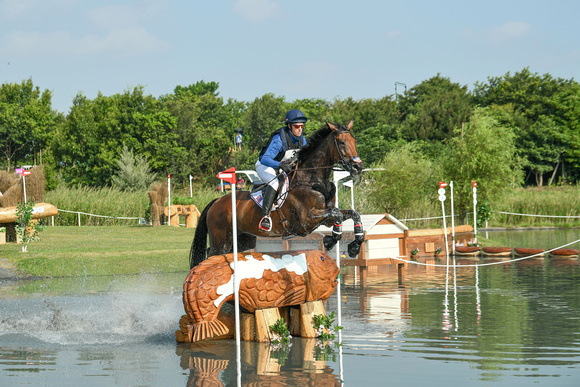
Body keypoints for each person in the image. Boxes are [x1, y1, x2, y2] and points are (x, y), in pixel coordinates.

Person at [255, 109, 308, 231]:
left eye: (302, 126)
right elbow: (265, 159)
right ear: (289, 126)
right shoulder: (279, 140)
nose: (300, 129)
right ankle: (265, 217)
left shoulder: (302, 140)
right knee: (275, 182)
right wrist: (280, 165)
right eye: (296, 126)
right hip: (265, 166)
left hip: (281, 167)